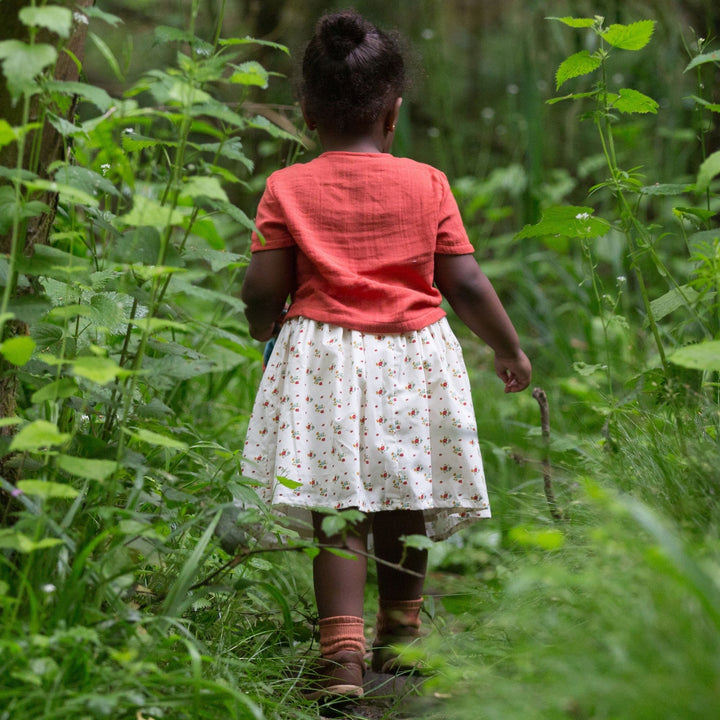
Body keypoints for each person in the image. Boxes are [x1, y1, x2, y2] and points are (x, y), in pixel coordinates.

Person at [240, 8, 531, 704]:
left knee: (338, 507)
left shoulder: (287, 187)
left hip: (321, 360)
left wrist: (263, 324)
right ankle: (400, 636)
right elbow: (463, 280)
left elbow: (262, 285)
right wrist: (508, 348)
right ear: (393, 112)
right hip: (414, 359)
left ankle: (340, 662)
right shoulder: (427, 183)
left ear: (306, 111)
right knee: (408, 494)